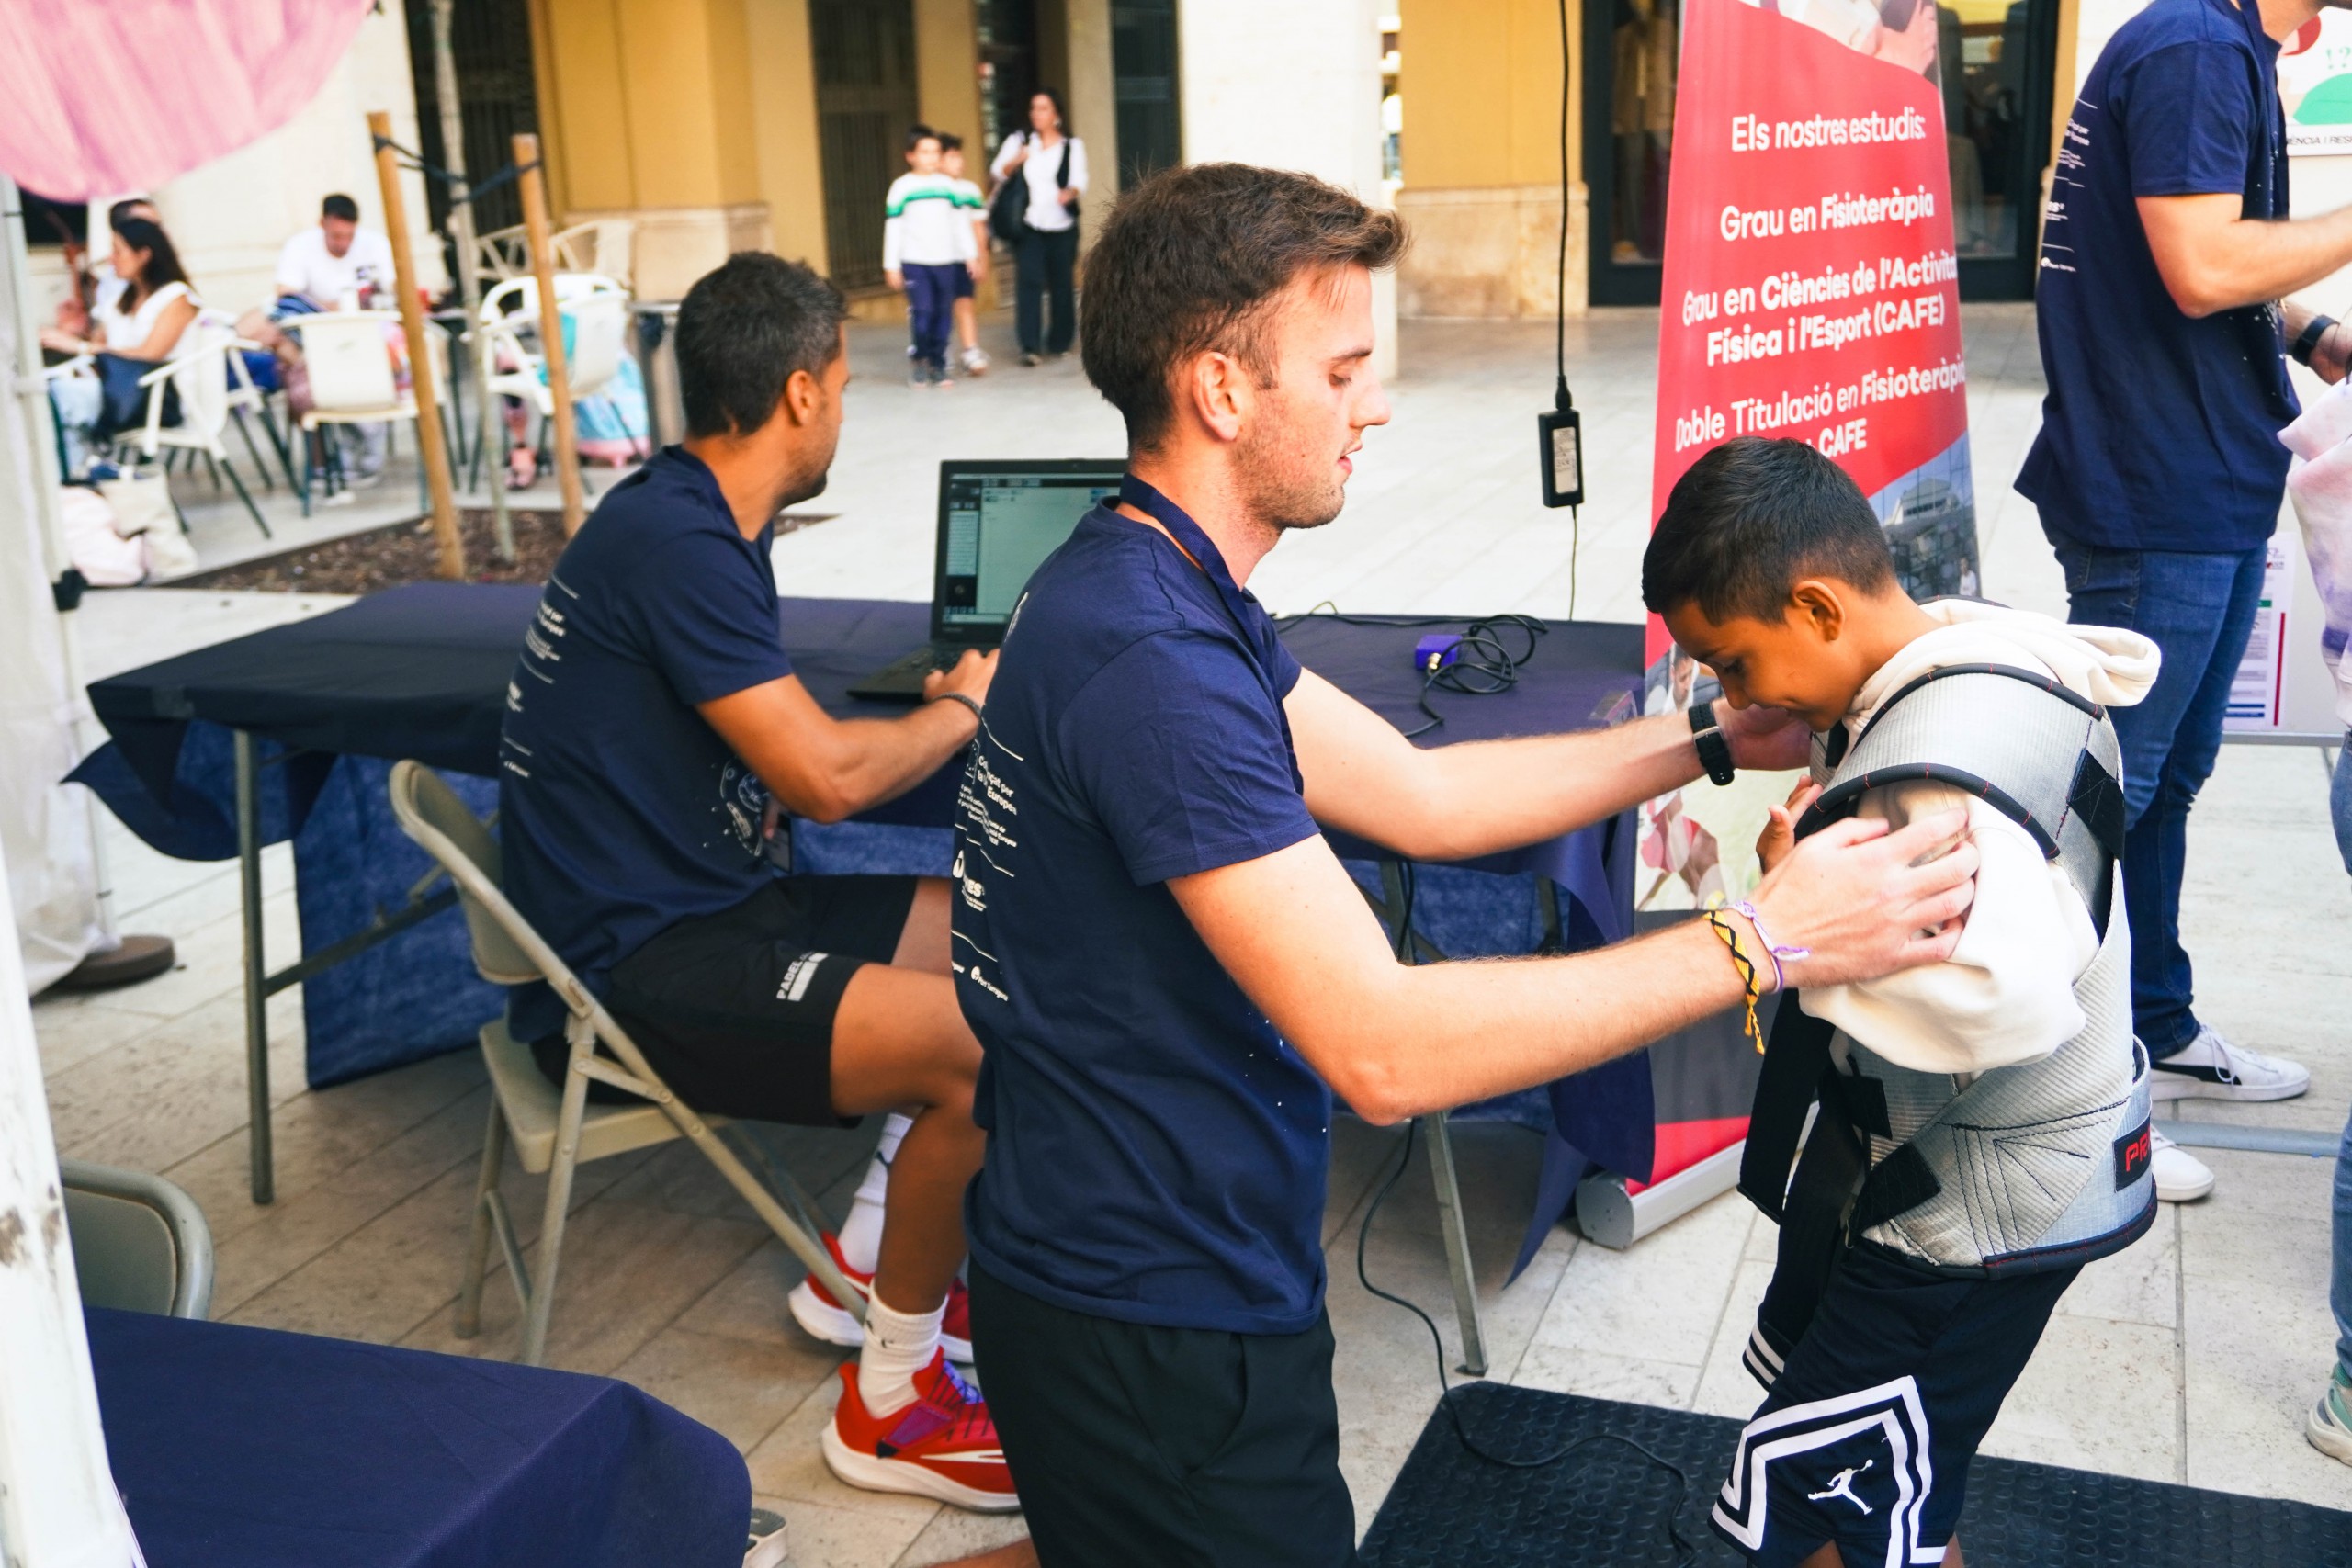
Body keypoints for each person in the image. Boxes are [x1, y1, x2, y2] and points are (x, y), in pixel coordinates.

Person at [948, 163, 1980, 1568]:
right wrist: (1767, 936)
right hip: (1144, 1306)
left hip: (1135, 1258)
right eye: (1343, 370)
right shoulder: (1151, 656)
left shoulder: (1153, 581)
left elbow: (1424, 795)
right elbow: (1383, 1048)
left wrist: (1713, 734)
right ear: (1221, 389)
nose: (1373, 405)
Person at [495, 253, 1023, 1522]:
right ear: (798, 393)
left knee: (1010, 937)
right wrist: (965, 704)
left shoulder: (689, 512)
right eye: (840, 383)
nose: (842, 408)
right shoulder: (680, 543)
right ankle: (889, 1400)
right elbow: (828, 781)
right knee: (983, 1048)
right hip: (644, 964)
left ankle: (866, 1260)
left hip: (714, 901)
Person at [1646, 436, 2159, 1568]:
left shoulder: (1938, 770)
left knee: (1829, 1514)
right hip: (1957, 1186)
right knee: (1893, 1495)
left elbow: (2004, 1000)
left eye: (1734, 662)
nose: (1739, 698)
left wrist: (1797, 921)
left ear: (1816, 608)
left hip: (1972, 1214)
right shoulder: (1983, 657)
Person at [2017, 0, 2345, 1201]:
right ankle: (2068, 1098)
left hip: (2197, 475)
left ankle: (2154, 1021)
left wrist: (2312, 334)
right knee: (2110, 801)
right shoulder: (2198, 47)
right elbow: (2201, 266)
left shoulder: (2213, 43)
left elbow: (2196, 252)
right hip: (2156, 492)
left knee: (2163, 786)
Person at [41, 215, 201, 478]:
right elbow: (99, 347)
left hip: (156, 397)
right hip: (118, 391)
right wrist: (70, 330)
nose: (111, 258)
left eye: (117, 251)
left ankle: (68, 480)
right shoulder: (121, 300)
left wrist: (81, 347)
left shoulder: (176, 298)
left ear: (144, 255)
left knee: (61, 399)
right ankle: (71, 478)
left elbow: (149, 354)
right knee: (51, 396)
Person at [989, 89, 1086, 367]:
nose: (1037, 114)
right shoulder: (1019, 141)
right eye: (1034, 108)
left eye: (1043, 108)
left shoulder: (1071, 145)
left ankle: (1059, 341)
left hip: (1062, 225)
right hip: (1029, 224)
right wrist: (1017, 160)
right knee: (1029, 282)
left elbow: (1079, 179)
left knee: (1061, 284)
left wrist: (1070, 192)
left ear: (1056, 114)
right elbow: (997, 172)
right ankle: (1029, 346)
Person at [883, 125, 980, 388]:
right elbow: (894, 228)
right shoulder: (901, 187)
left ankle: (938, 364)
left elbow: (960, 224)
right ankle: (920, 358)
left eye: (936, 152)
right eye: (925, 152)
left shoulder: (948, 187)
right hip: (915, 262)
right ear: (910, 156)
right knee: (923, 312)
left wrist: (970, 255)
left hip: (945, 262)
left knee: (942, 314)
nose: (932, 157)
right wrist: (891, 265)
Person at [275, 193, 396, 311]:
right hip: (318, 320)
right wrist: (337, 308)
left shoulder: (376, 243)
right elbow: (286, 295)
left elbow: (393, 287)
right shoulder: (299, 245)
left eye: (349, 236)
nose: (343, 243)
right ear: (322, 224)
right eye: (336, 236)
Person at [938, 132, 992, 377]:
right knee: (939, 307)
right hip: (937, 259)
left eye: (959, 156)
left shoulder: (970, 190)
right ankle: (940, 351)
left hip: (964, 260)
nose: (959, 162)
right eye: (952, 157)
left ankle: (970, 350)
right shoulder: (932, 191)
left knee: (965, 304)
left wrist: (983, 259)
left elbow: (978, 228)